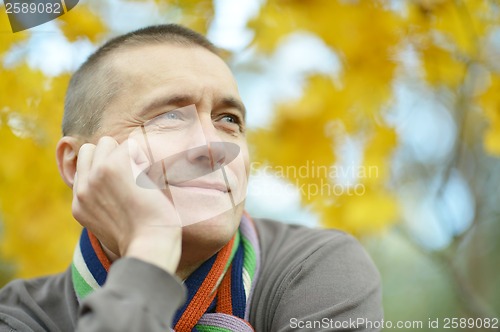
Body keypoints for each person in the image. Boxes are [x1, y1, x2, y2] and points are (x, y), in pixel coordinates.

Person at [0, 24, 383, 331]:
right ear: (75, 163)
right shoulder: (19, 317)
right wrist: (151, 248)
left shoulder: (313, 267)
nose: (212, 145)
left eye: (228, 120)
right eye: (169, 115)